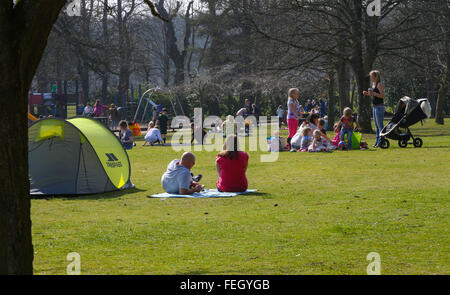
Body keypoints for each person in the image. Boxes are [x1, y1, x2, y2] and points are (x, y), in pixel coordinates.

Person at [363, 70, 385, 148]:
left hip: (379, 107)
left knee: (380, 125)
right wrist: (368, 94)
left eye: (372, 77)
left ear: (375, 77)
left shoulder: (379, 84)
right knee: (376, 125)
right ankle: (377, 141)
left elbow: (382, 95)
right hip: (375, 106)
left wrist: (374, 93)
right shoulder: (373, 85)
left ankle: (382, 140)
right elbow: (374, 95)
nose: (371, 78)